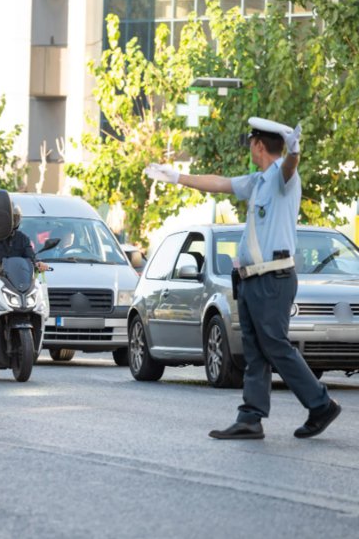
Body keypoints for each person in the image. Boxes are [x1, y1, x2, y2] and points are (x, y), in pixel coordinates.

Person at [146, 117, 340, 440]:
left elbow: (290, 167)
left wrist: (295, 151)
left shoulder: (281, 177)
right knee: (256, 351)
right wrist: (178, 177)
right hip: (251, 280)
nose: (250, 146)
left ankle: (321, 404)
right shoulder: (258, 181)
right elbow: (219, 183)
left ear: (259, 145)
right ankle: (250, 416)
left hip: (273, 279)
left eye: (251, 142)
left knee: (275, 346)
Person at [0, 205, 49, 274]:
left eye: (13, 219)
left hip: (17, 279)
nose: (9, 223)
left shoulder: (22, 238)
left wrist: (38, 264)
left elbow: (30, 257)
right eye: (5, 220)